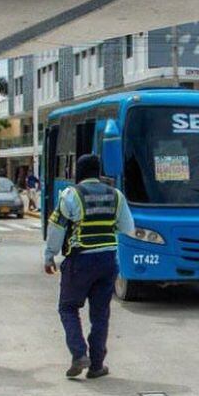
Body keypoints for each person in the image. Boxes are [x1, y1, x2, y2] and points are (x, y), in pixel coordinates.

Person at [44, 153, 135, 380]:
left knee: (68, 307)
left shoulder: (70, 195)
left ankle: (78, 354)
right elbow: (127, 227)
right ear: (98, 172)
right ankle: (96, 365)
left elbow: (57, 228)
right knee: (100, 314)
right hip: (107, 261)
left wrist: (49, 256)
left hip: (80, 260)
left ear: (79, 172)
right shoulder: (116, 195)